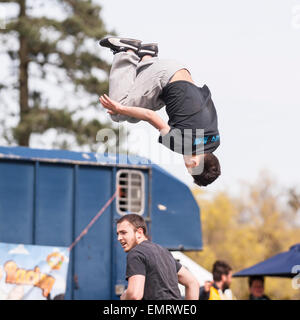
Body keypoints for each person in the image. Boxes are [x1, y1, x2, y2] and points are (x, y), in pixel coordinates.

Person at [99, 36, 221, 187]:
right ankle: (126, 50)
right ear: (195, 163)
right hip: (163, 77)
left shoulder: (215, 141)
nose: (185, 161)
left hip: (179, 72)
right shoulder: (183, 145)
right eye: (188, 167)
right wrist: (120, 108)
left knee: (133, 115)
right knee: (119, 114)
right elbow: (150, 116)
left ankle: (147, 55)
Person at [116, 213, 199, 300]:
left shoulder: (136, 253)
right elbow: (193, 283)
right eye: (117, 234)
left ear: (139, 232)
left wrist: (125, 297)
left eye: (123, 233)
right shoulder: (164, 252)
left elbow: (134, 295)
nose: (119, 238)